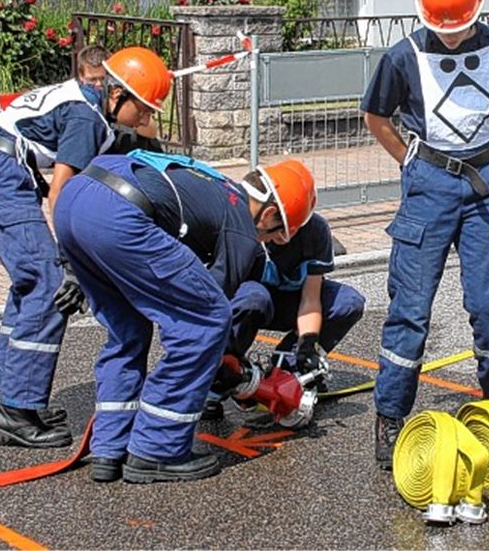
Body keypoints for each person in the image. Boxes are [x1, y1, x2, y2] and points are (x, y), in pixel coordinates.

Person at [52, 151, 316, 484]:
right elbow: (212, 305)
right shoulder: (242, 230)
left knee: (128, 329)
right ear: (269, 214)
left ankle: (110, 446)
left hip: (76, 198)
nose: (271, 242)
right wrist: (232, 372)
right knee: (206, 321)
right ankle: (156, 450)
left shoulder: (216, 185)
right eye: (277, 234)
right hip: (121, 214)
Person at [361, 0, 489, 470]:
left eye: (459, 28)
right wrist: (410, 160)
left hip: (484, 184)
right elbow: (375, 115)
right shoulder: (402, 56)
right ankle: (391, 414)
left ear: (477, 10)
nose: (450, 36)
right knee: (411, 308)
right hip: (428, 185)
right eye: (441, 28)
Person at [0, 46, 173, 448]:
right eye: (145, 109)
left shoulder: (89, 103)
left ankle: (9, 396)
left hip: (1, 168)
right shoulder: (86, 118)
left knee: (29, 285)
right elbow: (60, 190)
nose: (147, 119)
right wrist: (69, 261)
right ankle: (16, 409)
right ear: (117, 96)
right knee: (49, 288)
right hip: (3, 176)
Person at [207, 211, 366, 419]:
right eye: (278, 228)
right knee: (254, 297)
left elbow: (311, 297)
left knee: (349, 302)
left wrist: (307, 343)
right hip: (253, 300)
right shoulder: (242, 227)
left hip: (294, 302)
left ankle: (288, 369)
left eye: (292, 228)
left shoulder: (315, 230)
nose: (283, 237)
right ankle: (220, 377)